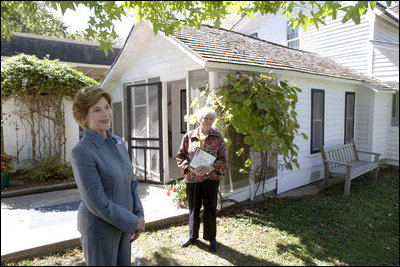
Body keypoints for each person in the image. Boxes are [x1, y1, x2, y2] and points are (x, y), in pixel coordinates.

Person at [71, 86, 145, 266]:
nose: (105, 114)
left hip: (124, 227)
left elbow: (131, 183)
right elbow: (97, 203)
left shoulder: (118, 142)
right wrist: (133, 221)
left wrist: (138, 214)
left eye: (107, 107)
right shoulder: (82, 151)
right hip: (99, 232)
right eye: (96, 109)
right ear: (84, 117)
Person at [176, 106, 226, 252]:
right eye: (206, 118)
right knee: (193, 208)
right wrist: (190, 168)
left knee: (210, 209)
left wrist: (209, 168)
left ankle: (211, 238)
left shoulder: (218, 137)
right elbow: (180, 156)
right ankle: (192, 236)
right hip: (193, 179)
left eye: (211, 119)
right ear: (199, 119)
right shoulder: (189, 136)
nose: (209, 121)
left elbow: (223, 160)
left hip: (211, 179)